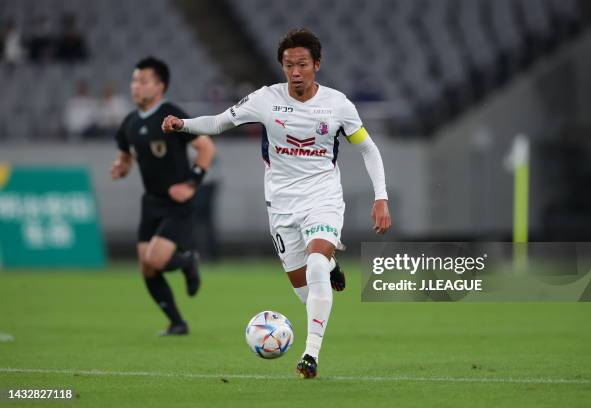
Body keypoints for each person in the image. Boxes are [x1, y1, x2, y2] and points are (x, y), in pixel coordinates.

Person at [162, 29, 390, 377]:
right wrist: (183, 125)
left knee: (314, 267)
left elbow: (368, 149)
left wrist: (381, 197)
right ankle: (330, 266)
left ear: (316, 64)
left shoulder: (338, 105)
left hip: (323, 197)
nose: (295, 72)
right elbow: (220, 122)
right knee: (305, 293)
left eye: (302, 64)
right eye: (288, 65)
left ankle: (310, 354)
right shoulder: (265, 99)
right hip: (281, 206)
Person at [111, 56, 215, 336]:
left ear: (160, 86)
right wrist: (121, 167)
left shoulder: (170, 113)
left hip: (177, 202)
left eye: (143, 81)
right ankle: (177, 323)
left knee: (155, 260)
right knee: (147, 268)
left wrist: (192, 184)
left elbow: (206, 148)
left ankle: (188, 261)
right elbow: (125, 155)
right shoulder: (130, 123)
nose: (135, 86)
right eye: (134, 80)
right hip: (151, 202)